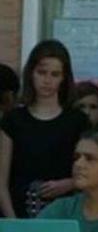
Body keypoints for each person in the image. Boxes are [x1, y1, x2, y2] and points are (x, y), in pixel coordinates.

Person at [0, 40, 90, 218]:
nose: (47, 81)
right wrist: (13, 222)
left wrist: (70, 183)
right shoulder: (13, 120)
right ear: (31, 73)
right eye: (42, 73)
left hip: (63, 214)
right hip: (18, 212)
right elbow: (1, 181)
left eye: (55, 74)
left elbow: (94, 171)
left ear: (64, 78)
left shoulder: (77, 121)